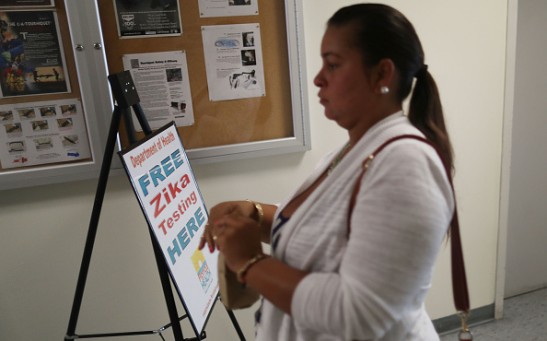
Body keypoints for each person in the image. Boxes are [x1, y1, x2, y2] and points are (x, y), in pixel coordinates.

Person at [199, 3, 455, 340]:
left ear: (382, 74)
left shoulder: (406, 166)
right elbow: (324, 234)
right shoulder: (356, 149)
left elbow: (361, 314)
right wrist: (254, 213)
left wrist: (249, 262)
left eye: (332, 65)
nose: (318, 78)